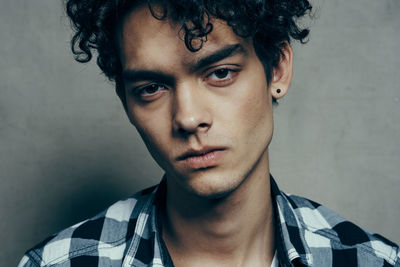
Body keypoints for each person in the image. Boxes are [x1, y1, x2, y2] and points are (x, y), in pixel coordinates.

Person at [18, 0, 399, 266]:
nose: (188, 118)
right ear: (126, 101)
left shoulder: (369, 260)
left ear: (277, 69)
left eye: (220, 73)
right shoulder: (61, 263)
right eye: (151, 88)